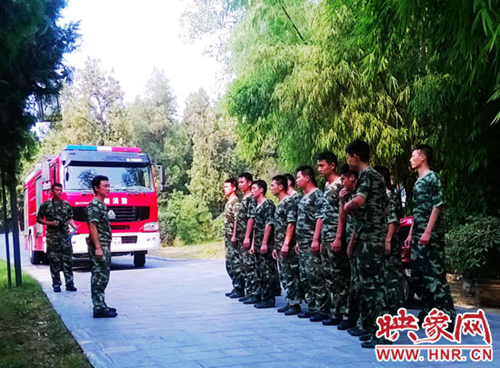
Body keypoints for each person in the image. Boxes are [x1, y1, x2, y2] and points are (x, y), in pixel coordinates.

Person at [343, 140, 389, 348]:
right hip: (367, 236)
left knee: (374, 287)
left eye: (348, 157)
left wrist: (347, 205)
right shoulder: (371, 177)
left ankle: (382, 334)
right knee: (367, 285)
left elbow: (360, 201)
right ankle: (373, 329)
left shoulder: (368, 176)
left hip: (371, 238)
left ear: (355, 156)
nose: (348, 161)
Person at [405, 144, 455, 326]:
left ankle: (448, 317)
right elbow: (417, 211)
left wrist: (428, 232)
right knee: (419, 276)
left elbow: (437, 206)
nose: (411, 159)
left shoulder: (433, 178)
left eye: (413, 156)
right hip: (418, 235)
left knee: (434, 275)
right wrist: (411, 232)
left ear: (423, 157)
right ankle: (429, 312)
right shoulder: (418, 181)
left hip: (430, 237)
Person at [317, 151, 351, 328]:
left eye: (322, 165)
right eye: (318, 166)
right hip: (326, 236)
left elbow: (342, 211)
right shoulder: (327, 186)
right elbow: (324, 214)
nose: (319, 169)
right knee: (329, 275)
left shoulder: (340, 184)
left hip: (336, 236)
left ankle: (346, 313)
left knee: (340, 275)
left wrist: (338, 236)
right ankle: (335, 310)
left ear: (332, 165)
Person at [295, 165, 328, 322]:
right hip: (302, 243)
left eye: (298, 177)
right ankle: (312, 306)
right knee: (305, 277)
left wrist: (316, 239)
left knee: (315, 276)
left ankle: (322, 308)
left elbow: (319, 218)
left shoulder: (317, 195)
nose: (296, 180)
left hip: (311, 243)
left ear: (307, 178)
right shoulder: (304, 196)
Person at [374, 166, 405, 315]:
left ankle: (396, 313)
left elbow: (392, 221)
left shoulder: (389, 196)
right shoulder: (379, 197)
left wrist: (387, 240)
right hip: (381, 242)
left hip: (390, 243)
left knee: (392, 278)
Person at [36, 183, 78, 293]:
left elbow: (69, 217)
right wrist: (50, 223)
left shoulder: (65, 204)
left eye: (60, 190)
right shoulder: (46, 205)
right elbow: (39, 219)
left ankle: (70, 283)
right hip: (52, 237)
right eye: (57, 190)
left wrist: (74, 226)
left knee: (67, 260)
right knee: (54, 261)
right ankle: (56, 284)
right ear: (52, 191)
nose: (59, 192)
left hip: (65, 236)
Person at [270, 175, 301, 315]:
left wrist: (286, 244)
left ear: (281, 186)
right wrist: (277, 246)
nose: (271, 188)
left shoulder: (289, 202)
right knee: (284, 274)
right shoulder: (280, 203)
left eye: (273, 185)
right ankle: (290, 301)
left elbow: (291, 224)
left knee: (290, 274)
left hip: (287, 246)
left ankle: (295, 304)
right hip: (280, 245)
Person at [87, 175, 117, 318]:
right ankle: (98, 308)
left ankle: (101, 304)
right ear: (96, 188)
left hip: (105, 244)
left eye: (108, 186)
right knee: (99, 276)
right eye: (105, 186)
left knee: (104, 276)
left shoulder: (101, 204)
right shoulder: (94, 205)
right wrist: (98, 247)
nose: (108, 189)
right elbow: (92, 226)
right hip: (100, 245)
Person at [250, 180, 279, 308]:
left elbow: (269, 224)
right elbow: (256, 228)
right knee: (259, 271)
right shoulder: (257, 205)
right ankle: (261, 296)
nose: (252, 191)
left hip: (264, 244)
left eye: (254, 188)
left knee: (267, 271)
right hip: (257, 243)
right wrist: (252, 245)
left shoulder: (268, 204)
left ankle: (269, 298)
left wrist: (264, 243)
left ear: (261, 190)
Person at [232, 172, 257, 304]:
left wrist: (247, 237)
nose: (240, 184)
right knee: (244, 266)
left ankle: (254, 293)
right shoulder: (244, 199)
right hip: (241, 238)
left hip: (247, 238)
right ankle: (249, 291)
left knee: (250, 265)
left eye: (242, 182)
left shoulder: (251, 198)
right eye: (239, 182)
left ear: (249, 183)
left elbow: (251, 218)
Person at [223, 178, 244, 298]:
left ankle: (239, 287)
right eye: (224, 187)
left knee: (235, 263)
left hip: (233, 237)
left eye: (227, 187)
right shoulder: (229, 202)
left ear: (234, 188)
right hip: (228, 237)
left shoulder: (235, 202)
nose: (224, 189)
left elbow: (237, 219)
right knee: (229, 262)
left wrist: (235, 235)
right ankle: (236, 286)